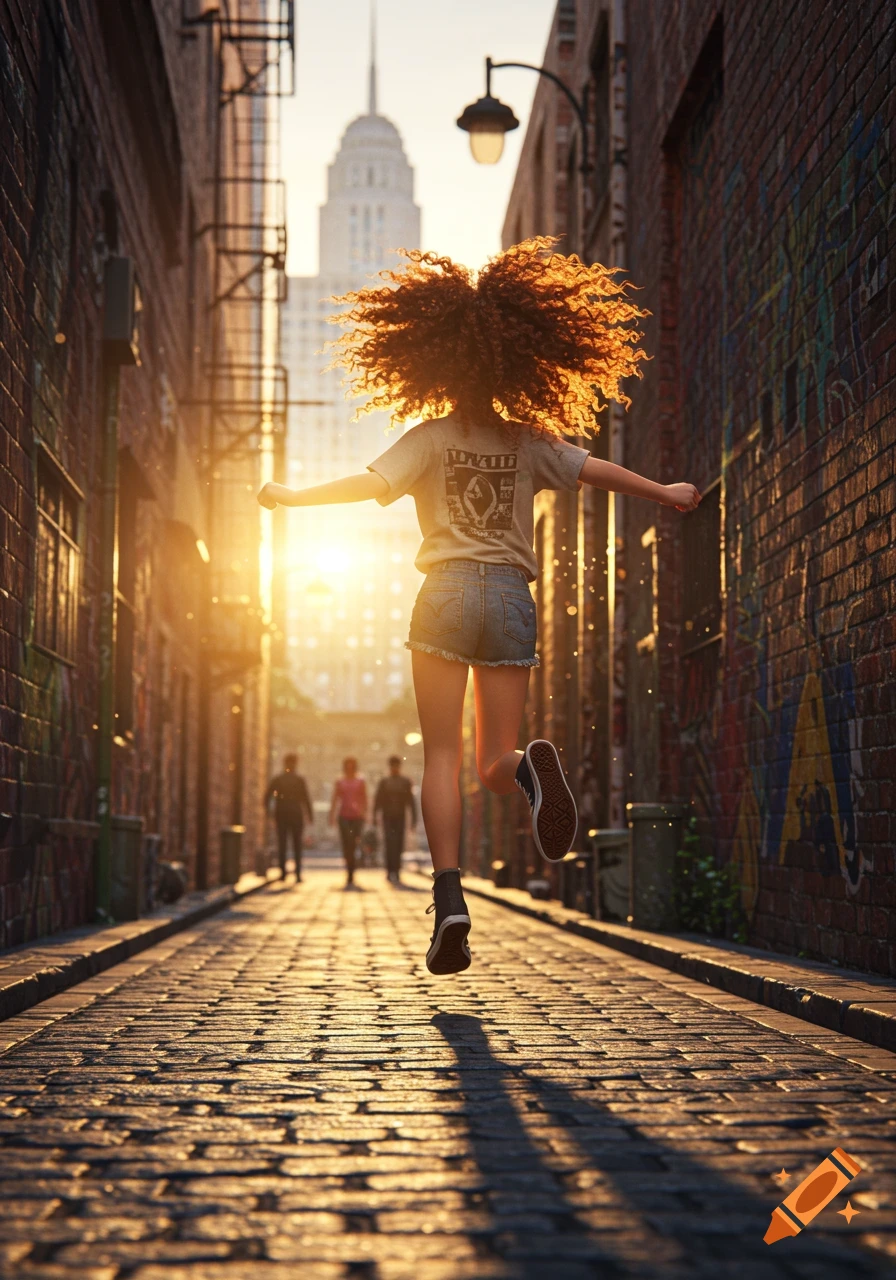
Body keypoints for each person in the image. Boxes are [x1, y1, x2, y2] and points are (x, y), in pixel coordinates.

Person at [259, 237, 700, 975]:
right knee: (492, 755)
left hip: (444, 595)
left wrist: (294, 497)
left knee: (440, 754)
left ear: (431, 362)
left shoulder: (429, 438)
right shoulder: (527, 440)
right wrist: (666, 492)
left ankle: (450, 896)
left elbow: (367, 487)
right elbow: (594, 472)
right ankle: (528, 768)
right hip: (508, 595)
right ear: (516, 362)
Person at [264, 753, 313, 881]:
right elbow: (305, 799)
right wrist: (309, 815)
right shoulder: (299, 780)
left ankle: (283, 873)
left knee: (282, 843)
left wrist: (268, 813)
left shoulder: (278, 779)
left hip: (281, 814)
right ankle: (297, 874)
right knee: (296, 844)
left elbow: (267, 796)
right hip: (296, 814)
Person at [374, 756, 417, 884]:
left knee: (398, 845)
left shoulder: (405, 782)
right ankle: (389, 870)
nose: (394, 768)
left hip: (400, 817)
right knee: (388, 844)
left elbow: (411, 802)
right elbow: (378, 800)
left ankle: (396, 871)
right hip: (387, 818)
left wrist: (414, 819)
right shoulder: (384, 782)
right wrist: (374, 816)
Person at [329, 757, 368, 888]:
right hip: (344, 817)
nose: (350, 769)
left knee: (354, 844)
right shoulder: (340, 781)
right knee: (347, 846)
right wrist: (331, 815)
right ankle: (349, 870)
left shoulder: (360, 781)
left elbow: (364, 798)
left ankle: (352, 870)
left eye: (352, 766)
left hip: (357, 818)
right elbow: (335, 799)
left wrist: (365, 814)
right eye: (348, 766)